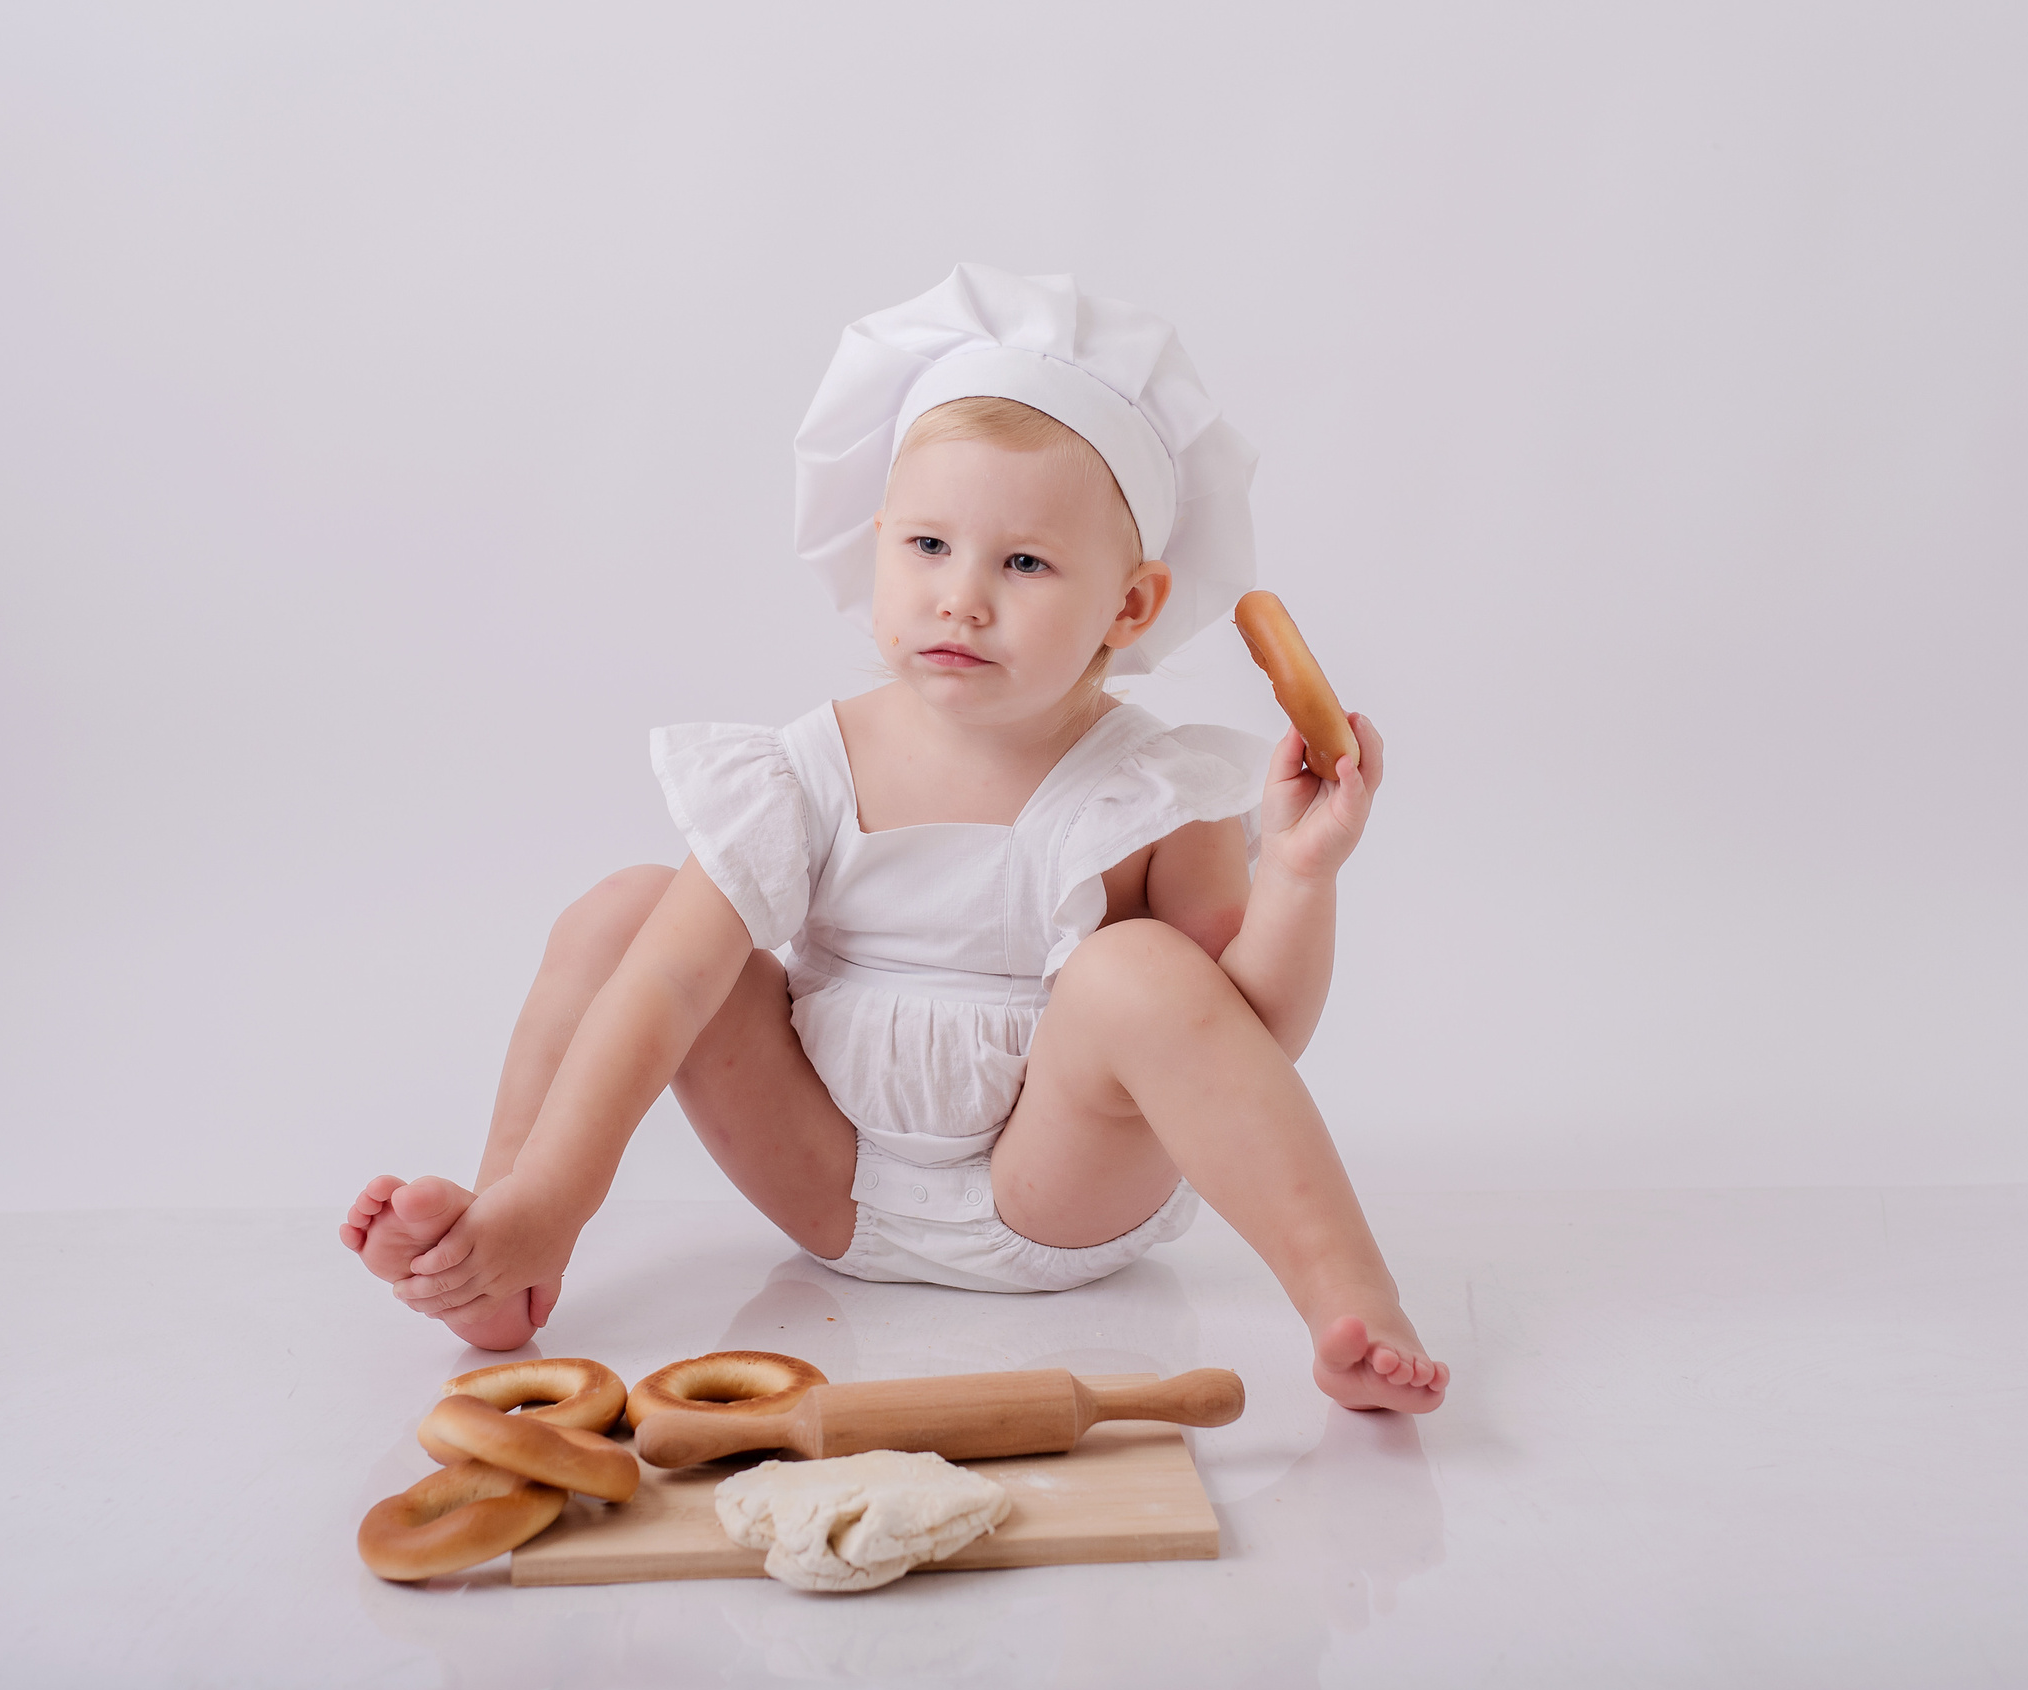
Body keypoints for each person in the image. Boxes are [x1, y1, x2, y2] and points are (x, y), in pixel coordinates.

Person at [342, 265, 1446, 1412]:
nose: (960, 597)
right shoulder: (803, 766)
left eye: (1023, 562)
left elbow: (1243, 1041)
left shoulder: (1154, 790)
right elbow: (668, 987)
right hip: (830, 1178)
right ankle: (507, 1237)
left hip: (1057, 1192)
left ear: (1129, 606)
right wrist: (556, 1194)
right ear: (876, 543)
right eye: (926, 545)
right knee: (629, 916)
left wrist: (1301, 875)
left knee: (1137, 968)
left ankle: (1348, 1302)